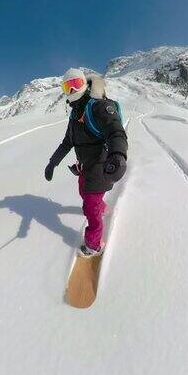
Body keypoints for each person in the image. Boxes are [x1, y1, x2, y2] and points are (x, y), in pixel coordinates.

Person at [44, 68, 128, 257]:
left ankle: (94, 244)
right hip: (85, 167)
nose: (72, 91)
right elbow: (67, 142)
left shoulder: (97, 107)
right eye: (68, 87)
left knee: (90, 207)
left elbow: (115, 131)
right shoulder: (75, 114)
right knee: (84, 192)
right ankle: (101, 207)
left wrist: (118, 154)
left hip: (100, 165)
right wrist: (53, 162)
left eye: (76, 85)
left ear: (85, 84)